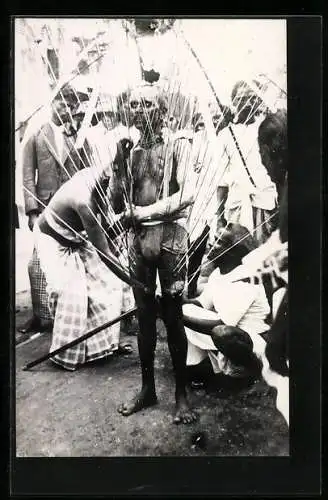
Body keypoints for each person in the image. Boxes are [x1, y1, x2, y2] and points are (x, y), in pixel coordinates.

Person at [113, 83, 198, 424]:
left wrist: (144, 214)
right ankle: (147, 389)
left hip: (172, 238)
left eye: (145, 104)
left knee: (173, 315)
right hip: (139, 241)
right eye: (132, 103)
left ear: (162, 111)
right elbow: (119, 200)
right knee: (144, 315)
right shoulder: (130, 151)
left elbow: (187, 195)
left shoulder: (178, 146)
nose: (137, 109)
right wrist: (119, 164)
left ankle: (181, 395)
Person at [33, 131, 136, 370]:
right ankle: (66, 354)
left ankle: (103, 347)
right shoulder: (84, 199)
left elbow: (107, 229)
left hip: (76, 239)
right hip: (53, 241)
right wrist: (135, 281)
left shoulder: (103, 176)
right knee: (72, 295)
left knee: (108, 285)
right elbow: (106, 254)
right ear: (104, 180)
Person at [19, 84, 91, 334]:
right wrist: (31, 211)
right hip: (45, 204)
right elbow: (28, 175)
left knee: (73, 257)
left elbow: (87, 171)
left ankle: (71, 313)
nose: (67, 110)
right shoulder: (38, 133)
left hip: (70, 208)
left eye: (71, 106)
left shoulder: (78, 137)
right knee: (37, 263)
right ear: (53, 104)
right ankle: (40, 315)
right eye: (63, 104)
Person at [183, 223, 269, 383]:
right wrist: (174, 301)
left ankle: (249, 372)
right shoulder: (218, 273)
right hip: (231, 333)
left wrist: (177, 316)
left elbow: (221, 325)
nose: (210, 244)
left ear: (232, 252)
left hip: (252, 342)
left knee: (221, 333)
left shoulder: (245, 279)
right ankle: (196, 367)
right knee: (186, 309)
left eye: (218, 242)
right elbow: (201, 304)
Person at [216, 80, 278, 247]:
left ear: (258, 100)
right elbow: (221, 180)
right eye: (242, 98)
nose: (248, 103)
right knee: (236, 257)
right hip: (236, 206)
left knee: (261, 256)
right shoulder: (226, 134)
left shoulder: (267, 128)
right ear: (234, 102)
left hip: (264, 204)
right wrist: (219, 217)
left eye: (252, 98)